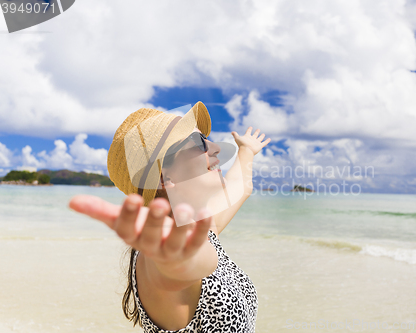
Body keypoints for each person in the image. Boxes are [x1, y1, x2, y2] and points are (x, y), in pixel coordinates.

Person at [69, 101, 271, 332]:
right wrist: (176, 263)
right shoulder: (162, 253)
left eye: (206, 138)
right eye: (198, 143)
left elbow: (240, 187)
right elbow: (179, 270)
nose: (216, 147)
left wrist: (247, 150)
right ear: (164, 178)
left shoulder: (200, 228)